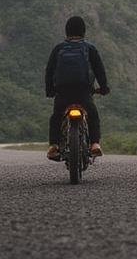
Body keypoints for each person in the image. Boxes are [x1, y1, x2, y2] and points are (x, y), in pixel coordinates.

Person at [45, 15, 109, 161]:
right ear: (83, 31)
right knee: (92, 115)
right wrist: (103, 88)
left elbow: (49, 71)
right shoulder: (89, 48)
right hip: (83, 91)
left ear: (67, 31)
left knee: (56, 117)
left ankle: (54, 146)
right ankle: (94, 144)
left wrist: (50, 90)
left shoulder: (58, 48)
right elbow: (99, 70)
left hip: (63, 92)